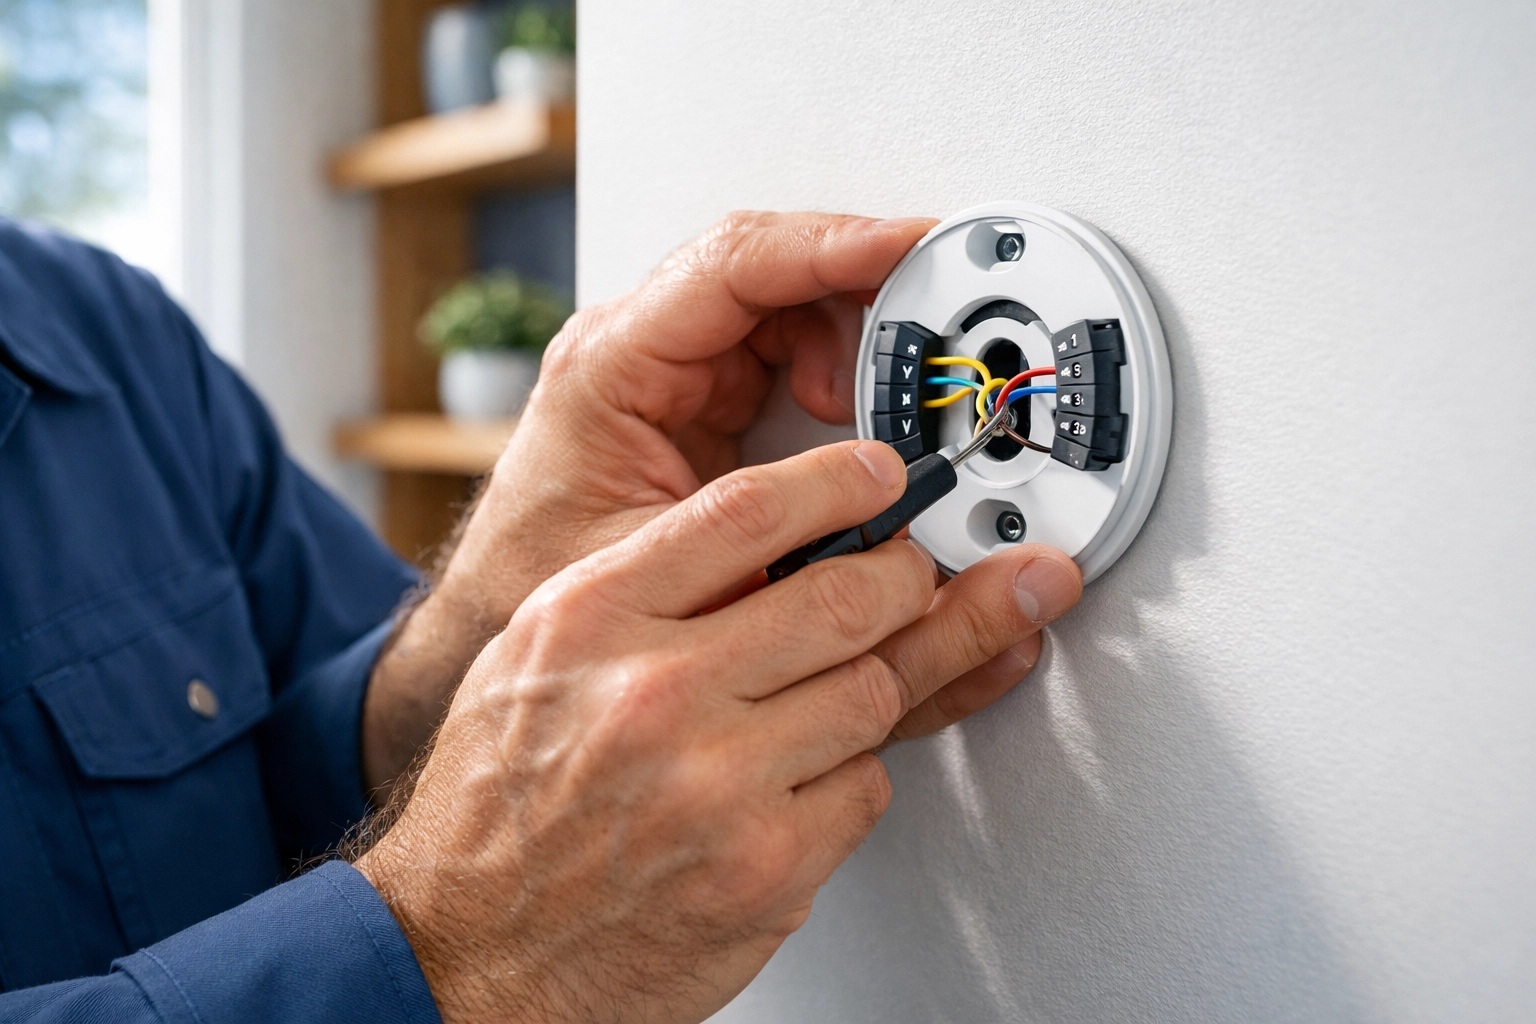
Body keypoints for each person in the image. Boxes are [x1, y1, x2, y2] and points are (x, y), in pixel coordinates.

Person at [0, 211, 1083, 1023]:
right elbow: (427, 906)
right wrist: (451, 952)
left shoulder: (99, 331)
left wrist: (487, 625)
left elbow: (280, 777)